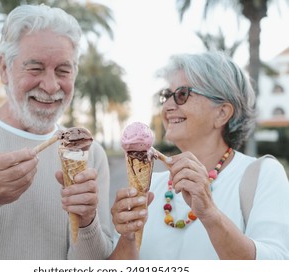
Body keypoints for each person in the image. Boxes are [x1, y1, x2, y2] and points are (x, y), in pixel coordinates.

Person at [0, 4, 112, 260]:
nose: (51, 86)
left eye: (63, 70)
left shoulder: (90, 154)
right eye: (35, 68)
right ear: (4, 68)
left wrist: (86, 221)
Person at [109, 51, 289, 260]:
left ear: (222, 113)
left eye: (182, 94)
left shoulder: (262, 175)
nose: (167, 106)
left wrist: (209, 213)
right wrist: (128, 236)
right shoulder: (152, 187)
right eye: (167, 95)